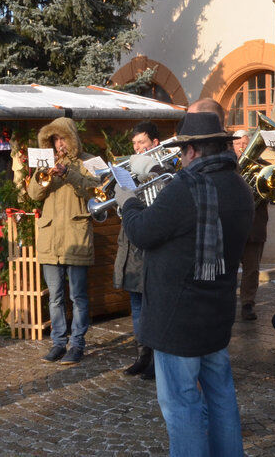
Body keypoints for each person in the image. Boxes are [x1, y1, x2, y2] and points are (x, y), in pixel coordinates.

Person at [118, 111, 254, 457]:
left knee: (182, 406)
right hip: (216, 310)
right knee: (221, 398)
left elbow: (143, 232)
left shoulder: (187, 187)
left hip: (177, 317)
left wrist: (128, 203)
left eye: (182, 151)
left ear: (193, 150)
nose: (180, 157)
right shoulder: (239, 186)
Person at [26, 116, 99, 365]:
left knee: (77, 295)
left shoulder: (87, 162)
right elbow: (33, 195)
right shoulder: (46, 163)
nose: (59, 144)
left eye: (62, 138)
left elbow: (95, 189)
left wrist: (69, 174)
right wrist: (41, 176)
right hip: (50, 238)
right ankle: (58, 343)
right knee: (55, 296)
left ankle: (77, 343)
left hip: (75, 236)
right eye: (54, 139)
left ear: (71, 139)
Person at [114, 120, 173, 379]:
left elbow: (165, 203)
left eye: (142, 143)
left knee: (154, 305)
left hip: (153, 245)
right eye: (135, 143)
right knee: (137, 305)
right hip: (131, 243)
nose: (137, 149)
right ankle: (142, 355)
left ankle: (157, 359)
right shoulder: (131, 168)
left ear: (155, 144)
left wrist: (150, 172)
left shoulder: (166, 168)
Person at [232, 128, 269, 322]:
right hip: (231, 227)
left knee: (252, 268)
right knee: (228, 267)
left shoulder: (262, 166)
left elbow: (272, 194)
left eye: (245, 143)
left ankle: (248, 304)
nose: (242, 148)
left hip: (254, 225)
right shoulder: (228, 166)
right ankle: (227, 302)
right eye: (238, 144)